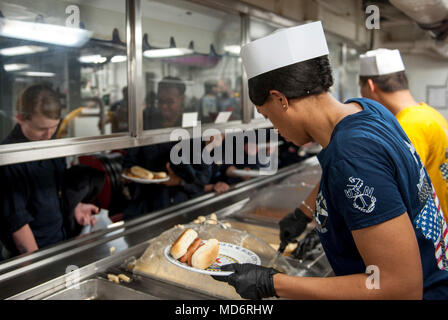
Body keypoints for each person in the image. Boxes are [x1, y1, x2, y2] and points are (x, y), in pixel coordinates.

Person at [213, 21, 448, 300]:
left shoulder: (351, 155)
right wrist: (305, 211)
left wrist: (273, 283)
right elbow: (363, 178)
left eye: (267, 115)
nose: (274, 127)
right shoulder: (365, 109)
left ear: (280, 99)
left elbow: (401, 287)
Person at [0, 84, 100, 259]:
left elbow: (57, 192)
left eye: (54, 127)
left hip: (59, 244)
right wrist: (37, 266)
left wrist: (76, 207)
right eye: (41, 129)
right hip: (32, 255)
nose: (48, 134)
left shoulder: (51, 143)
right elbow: (18, 226)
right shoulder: (10, 158)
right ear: (20, 118)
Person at [358, 48, 448, 221]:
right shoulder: (428, 113)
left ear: (370, 85)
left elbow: (396, 192)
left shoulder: (408, 126)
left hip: (432, 229)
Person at [123, 77, 212, 219]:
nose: (163, 106)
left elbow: (203, 177)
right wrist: (129, 174)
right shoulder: (146, 124)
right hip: (145, 206)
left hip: (182, 207)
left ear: (181, 99)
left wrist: (179, 181)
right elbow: (130, 160)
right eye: (160, 101)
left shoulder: (191, 129)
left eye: (169, 102)